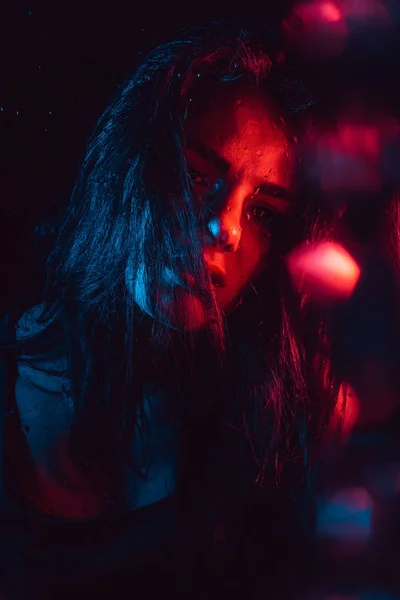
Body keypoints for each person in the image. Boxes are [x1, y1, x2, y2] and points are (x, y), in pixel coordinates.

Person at [0, 19, 353, 599]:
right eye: (194, 176)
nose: (226, 229)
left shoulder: (255, 443)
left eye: (263, 212)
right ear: (130, 172)